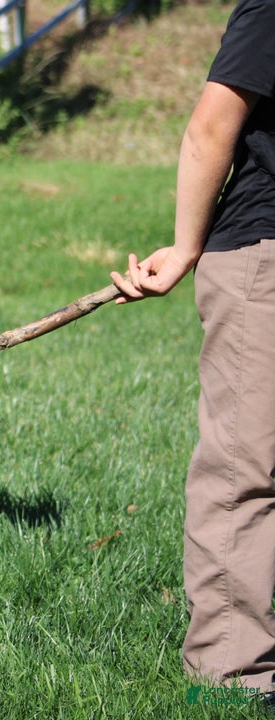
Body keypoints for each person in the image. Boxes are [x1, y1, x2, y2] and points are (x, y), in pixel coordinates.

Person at [109, 0, 275, 698]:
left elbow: (212, 124)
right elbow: (214, 123)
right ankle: (230, 671)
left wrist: (185, 248)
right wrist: (185, 247)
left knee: (247, 466)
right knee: (246, 466)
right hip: (266, 253)